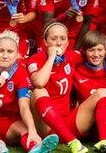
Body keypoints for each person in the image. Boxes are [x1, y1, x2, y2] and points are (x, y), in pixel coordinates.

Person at [27, 22, 90, 153]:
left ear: (68, 42)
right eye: (54, 39)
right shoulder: (36, 59)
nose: (59, 43)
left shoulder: (73, 56)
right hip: (45, 126)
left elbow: (95, 55)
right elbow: (39, 82)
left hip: (67, 121)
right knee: (39, 92)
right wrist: (51, 58)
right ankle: (72, 142)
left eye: (63, 38)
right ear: (45, 42)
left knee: (102, 93)